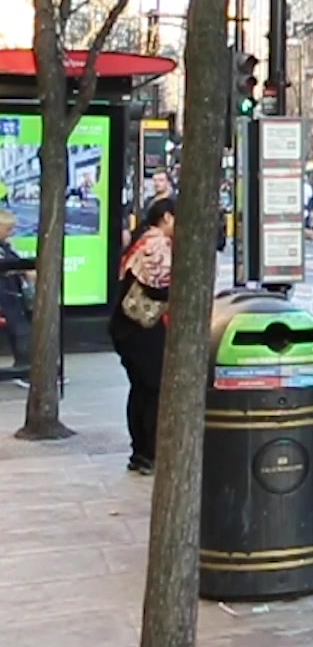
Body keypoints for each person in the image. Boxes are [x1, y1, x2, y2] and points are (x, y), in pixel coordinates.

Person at [111, 196, 174, 475]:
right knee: (152, 389)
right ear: (167, 217)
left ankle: (140, 452)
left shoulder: (142, 238)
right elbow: (161, 285)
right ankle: (149, 452)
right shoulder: (157, 243)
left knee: (141, 388)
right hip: (142, 328)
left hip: (128, 327)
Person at [0, 208, 33, 384]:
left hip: (11, 294)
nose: (10, 233)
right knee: (20, 331)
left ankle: (24, 366)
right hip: (5, 296)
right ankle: (24, 369)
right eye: (7, 229)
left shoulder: (5, 247)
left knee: (21, 330)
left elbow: (16, 261)